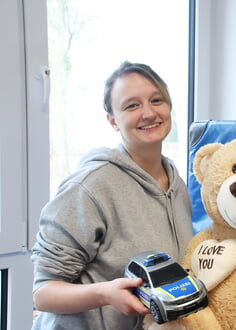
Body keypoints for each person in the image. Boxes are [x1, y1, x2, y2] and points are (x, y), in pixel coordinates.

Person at [31, 61, 194, 330]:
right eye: (131, 105)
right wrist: (105, 293)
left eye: (157, 100)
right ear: (112, 120)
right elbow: (43, 293)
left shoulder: (176, 182)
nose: (148, 113)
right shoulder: (89, 186)